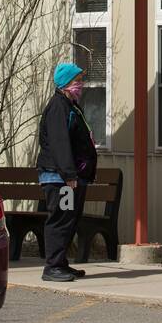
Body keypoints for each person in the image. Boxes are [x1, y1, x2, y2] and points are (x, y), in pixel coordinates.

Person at [36, 62, 99, 282]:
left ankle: (61, 263)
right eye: (76, 82)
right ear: (65, 84)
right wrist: (70, 175)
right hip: (59, 177)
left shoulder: (71, 106)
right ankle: (52, 266)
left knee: (70, 218)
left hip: (69, 177)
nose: (80, 85)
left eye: (81, 81)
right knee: (61, 219)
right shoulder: (58, 107)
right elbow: (60, 143)